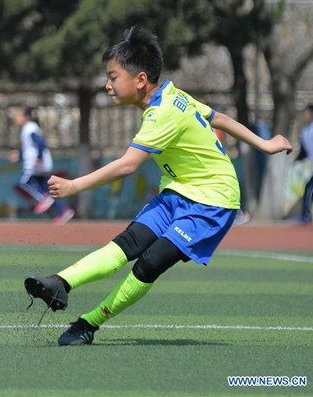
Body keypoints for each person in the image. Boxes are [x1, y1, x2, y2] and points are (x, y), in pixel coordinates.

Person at [24, 26, 292, 346]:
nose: (108, 86)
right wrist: (264, 143)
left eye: (113, 77)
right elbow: (215, 116)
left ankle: (88, 323)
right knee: (127, 244)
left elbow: (127, 165)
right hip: (177, 191)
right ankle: (60, 283)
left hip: (213, 199)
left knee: (150, 261)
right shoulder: (172, 95)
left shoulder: (162, 113)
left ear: (139, 80)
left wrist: (73, 186)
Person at [9, 105, 75, 225]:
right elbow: (30, 148)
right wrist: (19, 154)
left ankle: (43, 199)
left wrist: (38, 158)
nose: (16, 118)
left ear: (26, 117)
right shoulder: (30, 128)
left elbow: (41, 142)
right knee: (47, 190)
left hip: (36, 165)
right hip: (43, 164)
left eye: (18, 115)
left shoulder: (29, 128)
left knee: (23, 181)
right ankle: (63, 211)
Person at [295, 104, 313, 224]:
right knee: (309, 188)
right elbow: (304, 151)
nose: (304, 116)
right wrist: (296, 159)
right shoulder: (305, 131)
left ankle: (306, 216)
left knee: (309, 188)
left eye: (307, 113)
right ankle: (306, 215)